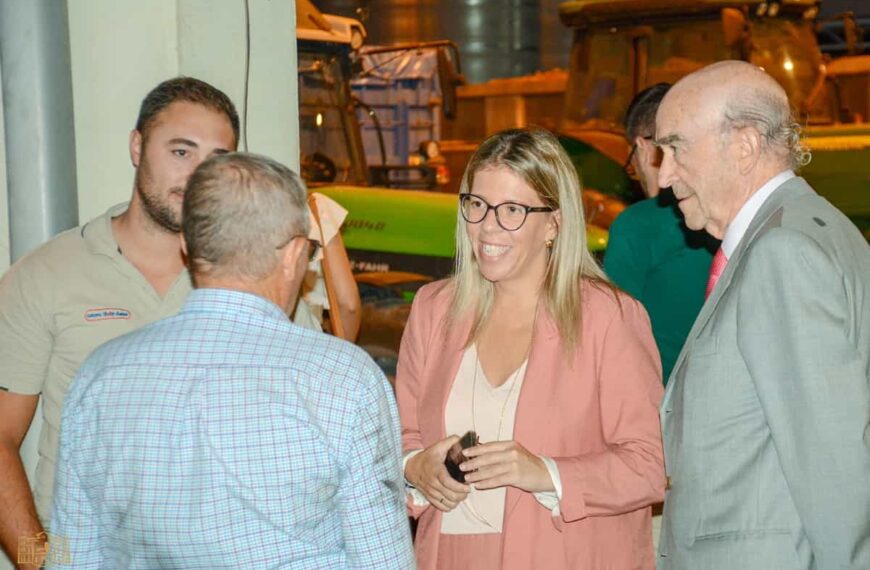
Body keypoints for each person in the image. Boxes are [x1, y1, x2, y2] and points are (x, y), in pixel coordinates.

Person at [49, 153, 415, 569]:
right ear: (295, 255)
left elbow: (67, 552)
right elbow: (383, 561)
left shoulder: (101, 374)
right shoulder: (343, 377)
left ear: (187, 246)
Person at [398, 128, 666, 569]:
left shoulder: (607, 317)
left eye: (512, 211)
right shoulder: (434, 309)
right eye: (477, 205)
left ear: (554, 224)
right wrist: (415, 468)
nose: (487, 226)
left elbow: (648, 465)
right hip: (451, 556)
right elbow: (403, 438)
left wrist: (545, 472)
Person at [0, 77, 238, 566]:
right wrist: (39, 561)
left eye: (215, 160)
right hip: (84, 553)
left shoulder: (251, 279)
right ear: (137, 147)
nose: (196, 175)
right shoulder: (48, 273)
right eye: (180, 152)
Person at [656, 60, 870, 569]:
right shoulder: (821, 230)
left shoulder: (781, 253)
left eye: (675, 147)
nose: (663, 175)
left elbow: (832, 458)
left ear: (745, 144)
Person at [604, 82, 718, 382]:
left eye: (631, 162)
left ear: (642, 147)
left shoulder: (636, 225)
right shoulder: (725, 213)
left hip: (660, 408)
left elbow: (612, 337)